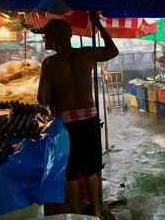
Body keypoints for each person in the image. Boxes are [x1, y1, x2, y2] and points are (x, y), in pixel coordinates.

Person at [37, 13, 119, 218]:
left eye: (47, 37)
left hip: (65, 123)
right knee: (91, 168)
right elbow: (113, 50)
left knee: (71, 171)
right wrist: (98, 24)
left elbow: (42, 99)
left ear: (57, 39)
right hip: (89, 119)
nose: (44, 40)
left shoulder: (49, 64)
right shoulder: (86, 54)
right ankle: (97, 211)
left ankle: (76, 212)